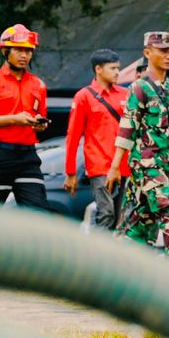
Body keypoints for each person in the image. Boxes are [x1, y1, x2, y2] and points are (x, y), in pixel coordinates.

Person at [106, 32, 169, 258]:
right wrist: (115, 166)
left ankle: (117, 267)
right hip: (146, 166)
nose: (168, 55)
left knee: (141, 223)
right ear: (147, 53)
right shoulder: (138, 88)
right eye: (163, 50)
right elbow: (127, 128)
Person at [0, 24, 53, 211]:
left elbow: (39, 118)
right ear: (6, 51)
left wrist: (39, 125)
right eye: (19, 50)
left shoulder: (38, 84)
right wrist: (15, 119)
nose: (24, 55)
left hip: (28, 156)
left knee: (39, 212)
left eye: (28, 51)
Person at [64, 49, 128, 230]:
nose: (117, 72)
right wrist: (70, 172)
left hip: (125, 165)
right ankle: (100, 256)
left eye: (118, 68)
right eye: (113, 68)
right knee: (106, 213)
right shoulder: (84, 96)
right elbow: (73, 136)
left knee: (123, 217)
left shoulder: (125, 94)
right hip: (99, 165)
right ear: (98, 69)